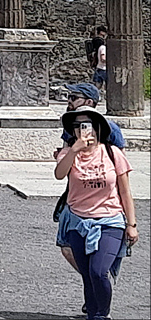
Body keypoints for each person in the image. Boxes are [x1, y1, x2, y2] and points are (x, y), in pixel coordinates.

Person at [54, 106, 138, 320]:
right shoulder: (68, 154)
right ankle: (93, 313)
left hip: (110, 220)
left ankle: (102, 313)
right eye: (77, 126)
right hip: (78, 222)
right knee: (88, 275)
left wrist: (132, 224)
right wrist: (74, 150)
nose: (83, 130)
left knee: (98, 271)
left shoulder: (112, 153)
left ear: (98, 128)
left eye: (87, 125)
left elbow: (125, 190)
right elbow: (59, 174)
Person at [55, 83, 127, 282]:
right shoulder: (70, 128)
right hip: (76, 193)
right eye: (69, 96)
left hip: (103, 196)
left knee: (96, 263)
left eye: (74, 97)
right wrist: (69, 154)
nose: (69, 101)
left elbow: (119, 162)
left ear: (89, 101)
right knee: (67, 249)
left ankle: (97, 285)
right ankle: (94, 284)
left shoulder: (111, 129)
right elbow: (63, 165)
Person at [90, 26, 108, 91]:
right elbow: (102, 57)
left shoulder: (95, 40)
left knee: (97, 84)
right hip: (102, 66)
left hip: (98, 65)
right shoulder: (100, 43)